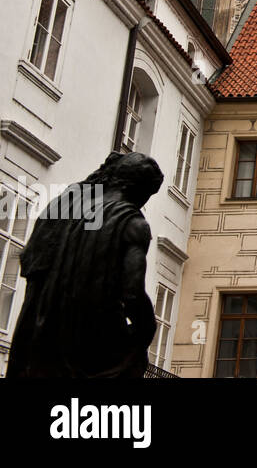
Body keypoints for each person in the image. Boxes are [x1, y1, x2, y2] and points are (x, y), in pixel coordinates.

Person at [7, 152, 164, 377]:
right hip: (93, 343)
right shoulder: (133, 223)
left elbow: (32, 264)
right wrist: (146, 328)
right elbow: (132, 293)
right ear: (142, 191)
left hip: (39, 336)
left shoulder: (64, 204)